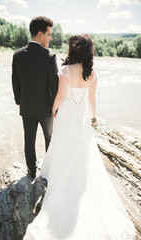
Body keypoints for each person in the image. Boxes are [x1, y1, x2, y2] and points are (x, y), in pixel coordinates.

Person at [23, 34, 136, 239]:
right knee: (81, 148)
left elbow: (59, 96)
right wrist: (94, 118)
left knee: (63, 144)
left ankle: (59, 173)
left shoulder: (65, 70)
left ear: (73, 49)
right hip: (82, 115)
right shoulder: (92, 73)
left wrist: (54, 110)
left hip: (66, 113)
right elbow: (92, 100)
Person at [12, 16, 59, 178]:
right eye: (48, 34)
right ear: (40, 34)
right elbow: (55, 86)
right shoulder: (49, 57)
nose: (50, 38)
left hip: (26, 107)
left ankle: (31, 170)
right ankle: (49, 171)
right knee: (49, 139)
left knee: (29, 140)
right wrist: (55, 107)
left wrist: (19, 101)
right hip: (46, 110)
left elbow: (15, 81)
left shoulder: (17, 55)